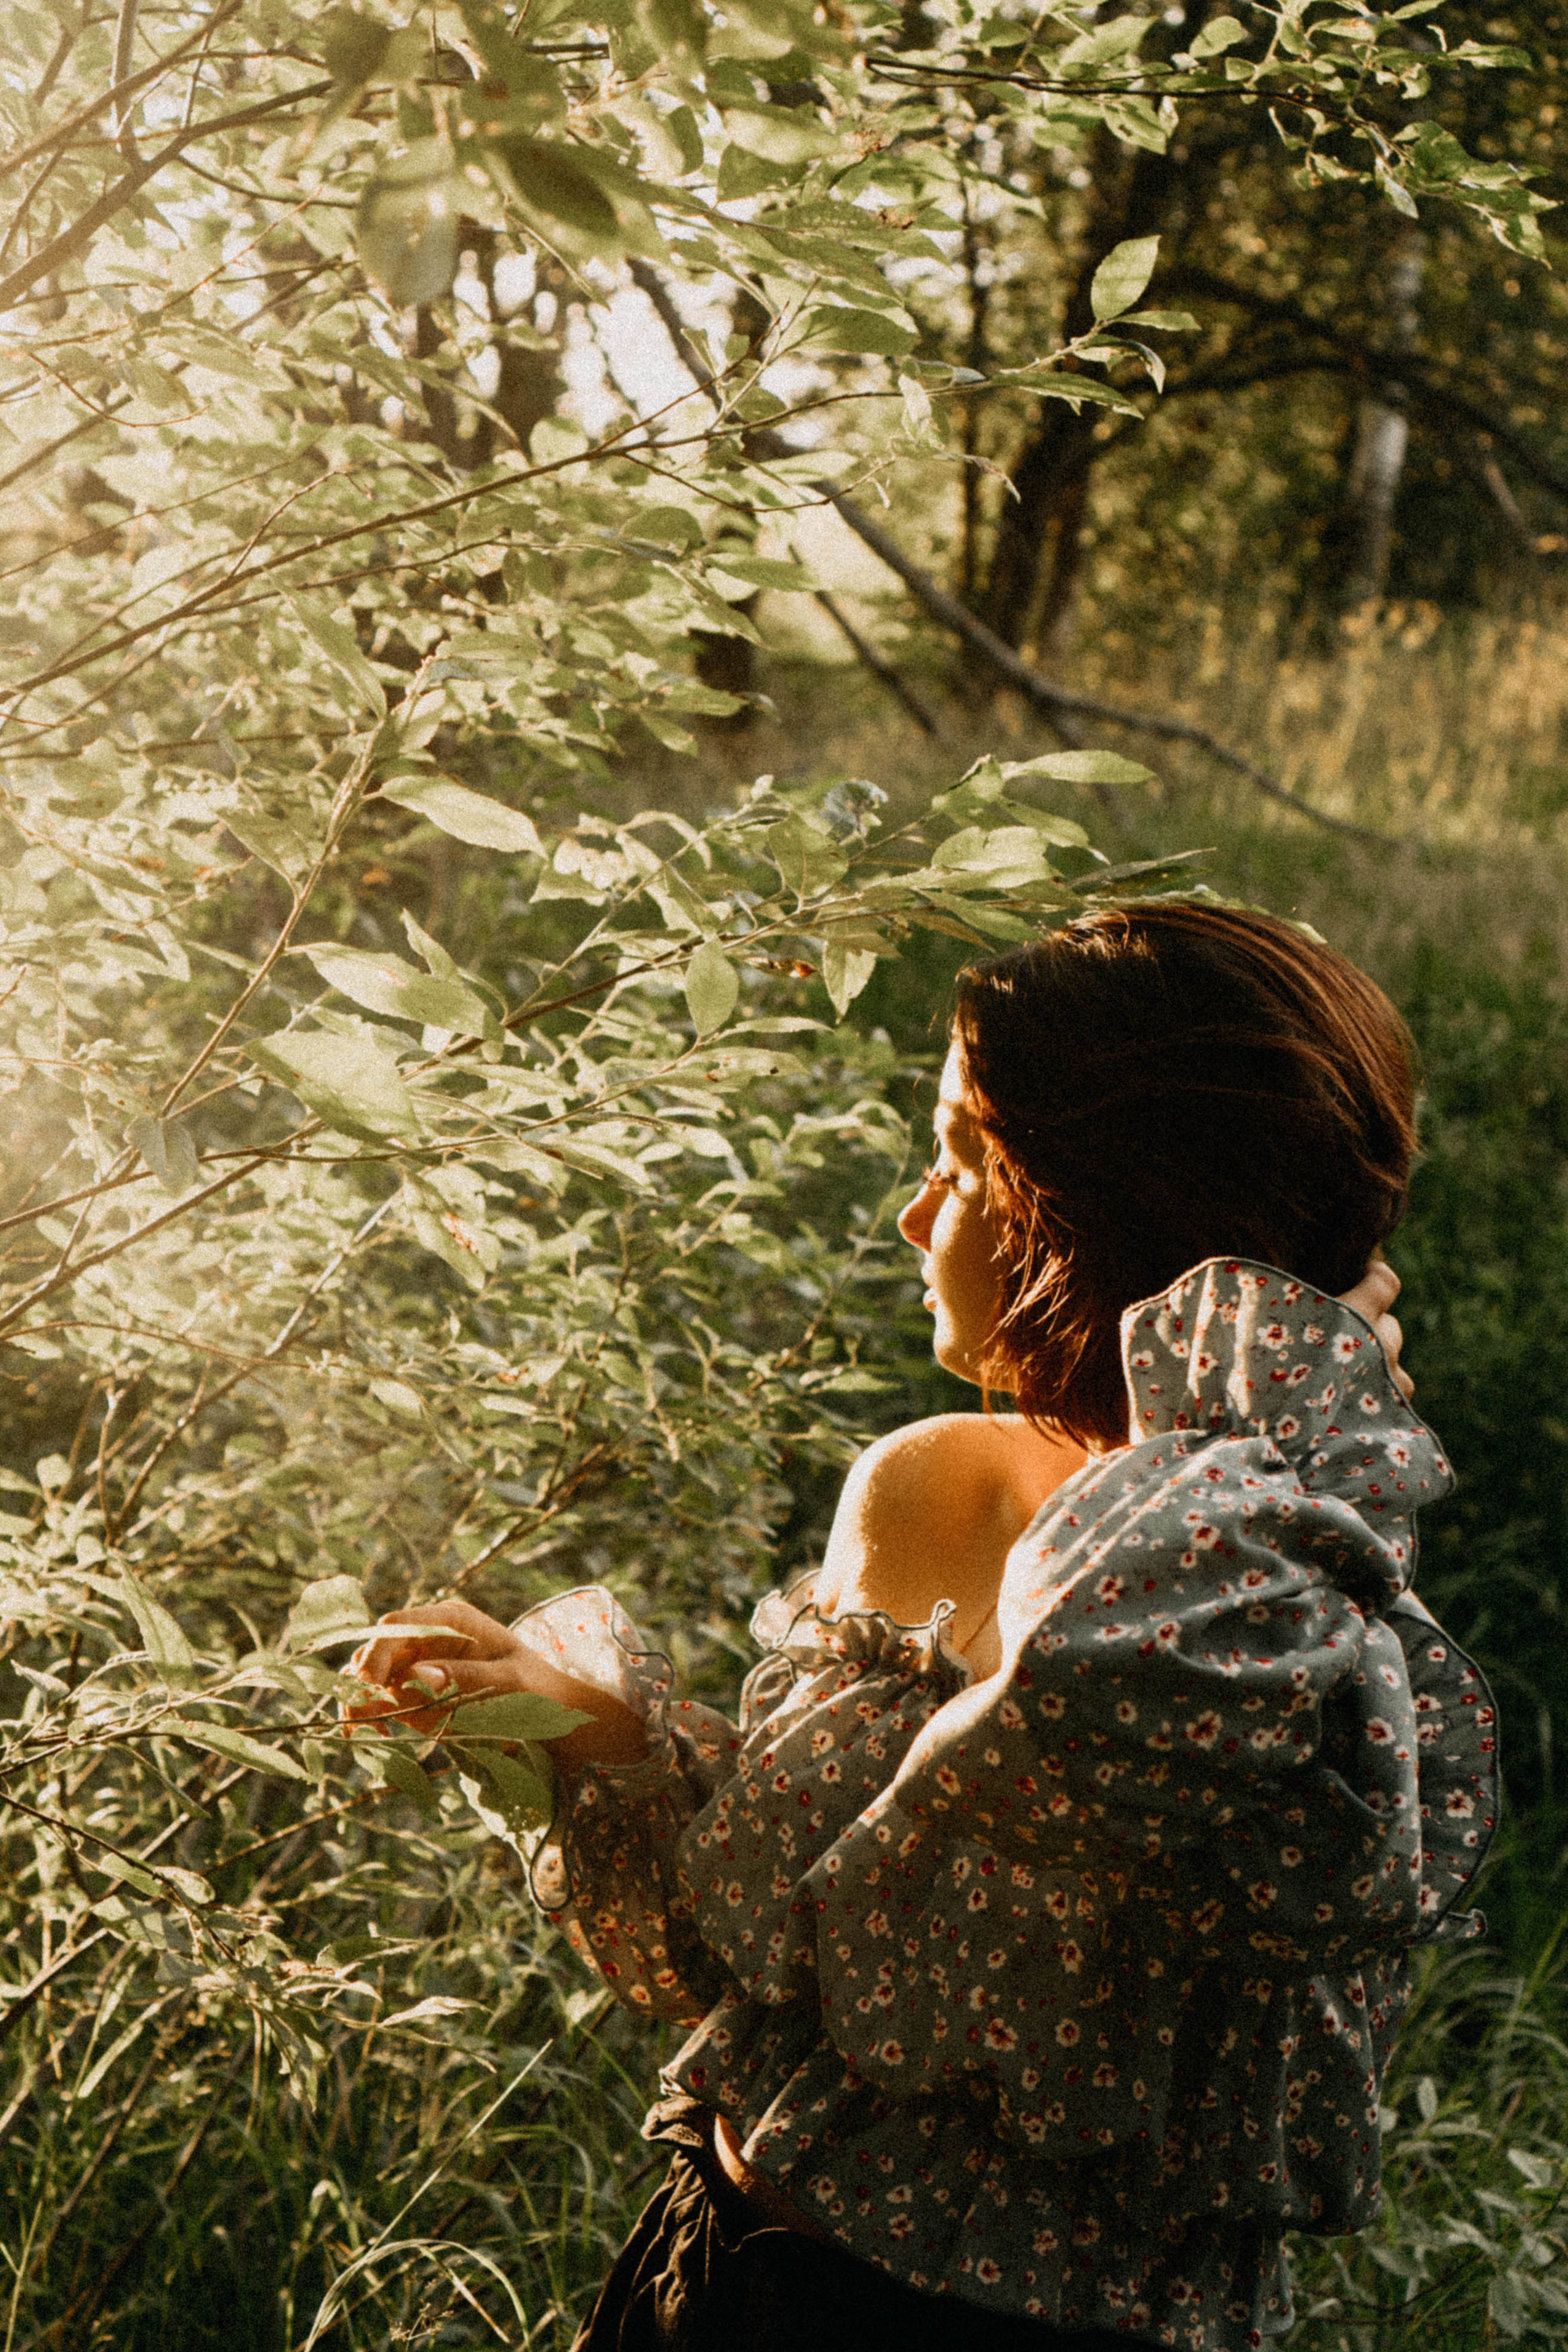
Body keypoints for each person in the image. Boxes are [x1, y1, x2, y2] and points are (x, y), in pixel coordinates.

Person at [350, 902, 1498, 2352]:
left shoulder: (1246, 1582)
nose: (913, 1211)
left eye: (962, 1162)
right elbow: (817, 1933)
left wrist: (1267, 1425)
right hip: (755, 2270)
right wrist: (598, 1725)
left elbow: (1080, 1684)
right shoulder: (1240, 1543)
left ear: (1094, 1207)